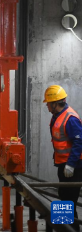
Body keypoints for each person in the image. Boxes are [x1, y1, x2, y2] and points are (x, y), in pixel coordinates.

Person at [44, 85, 82, 232]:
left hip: (73, 167)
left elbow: (79, 141)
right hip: (63, 165)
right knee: (64, 198)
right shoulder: (57, 116)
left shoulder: (70, 118)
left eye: (48, 103)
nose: (47, 106)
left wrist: (71, 165)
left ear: (55, 103)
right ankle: (65, 228)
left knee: (68, 201)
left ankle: (70, 229)